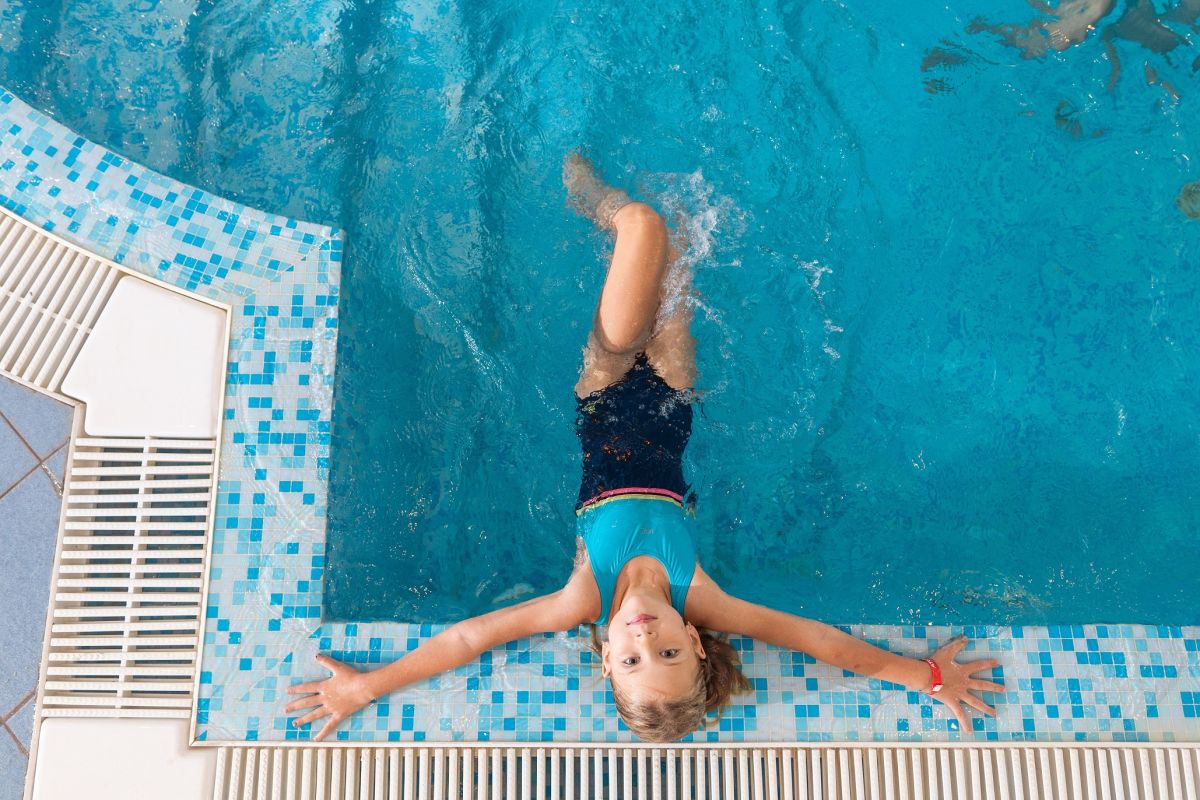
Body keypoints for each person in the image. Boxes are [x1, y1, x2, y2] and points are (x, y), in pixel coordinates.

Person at [284, 153, 1004, 742]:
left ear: (606, 659)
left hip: (604, 391)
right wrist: (926, 677)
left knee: (642, 224)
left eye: (631, 659)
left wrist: (367, 688)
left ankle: (578, 182)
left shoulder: (581, 598)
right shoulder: (706, 599)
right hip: (673, 400)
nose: (643, 636)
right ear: (695, 642)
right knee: (682, 243)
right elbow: (823, 643)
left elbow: (469, 640)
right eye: (666, 652)